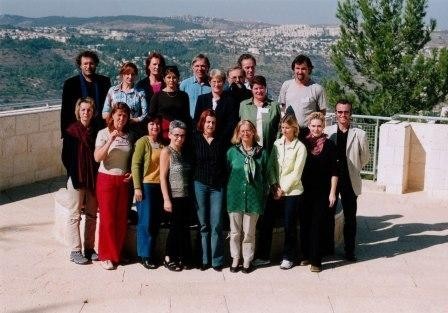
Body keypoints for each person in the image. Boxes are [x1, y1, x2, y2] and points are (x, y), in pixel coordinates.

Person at [239, 75, 281, 268]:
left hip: (268, 157)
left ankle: (263, 253)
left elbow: (278, 132)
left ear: (265, 88)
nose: (258, 91)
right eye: (255, 88)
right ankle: (244, 254)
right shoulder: (243, 106)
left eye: (261, 88)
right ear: (251, 89)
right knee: (250, 206)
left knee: (267, 208)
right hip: (249, 157)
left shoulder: (273, 107)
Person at [325, 99, 370, 261]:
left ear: (350, 114)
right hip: (331, 180)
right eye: (340, 112)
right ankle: (328, 248)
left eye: (346, 112)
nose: (343, 115)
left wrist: (354, 168)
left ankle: (349, 250)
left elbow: (365, 157)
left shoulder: (360, 134)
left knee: (350, 217)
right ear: (335, 113)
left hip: (350, 180)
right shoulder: (327, 131)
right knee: (328, 214)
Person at [94, 102, 134, 270]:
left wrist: (132, 172)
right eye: (118, 115)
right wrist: (110, 139)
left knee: (120, 219)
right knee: (107, 219)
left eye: (124, 115)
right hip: (106, 179)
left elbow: (131, 158)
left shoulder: (129, 135)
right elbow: (98, 157)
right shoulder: (103, 133)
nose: (121, 118)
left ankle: (117, 253)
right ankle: (106, 255)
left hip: (122, 181)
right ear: (112, 116)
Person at [226, 120, 269, 274]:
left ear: (253, 132)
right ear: (238, 133)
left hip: (253, 198)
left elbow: (266, 174)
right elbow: (226, 173)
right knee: (235, 232)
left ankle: (247, 260)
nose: (245, 133)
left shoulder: (262, 153)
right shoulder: (232, 152)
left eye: (248, 130)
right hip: (235, 197)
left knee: (249, 233)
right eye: (242, 131)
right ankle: (235, 258)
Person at [62, 97, 100, 265]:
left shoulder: (97, 131)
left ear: (93, 112)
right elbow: (65, 157)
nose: (86, 113)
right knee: (75, 215)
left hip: (93, 178)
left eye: (89, 110)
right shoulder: (71, 131)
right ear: (78, 112)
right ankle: (75, 250)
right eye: (83, 110)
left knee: (92, 215)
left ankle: (89, 248)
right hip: (77, 179)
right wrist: (74, 174)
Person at [268, 114, 307, 270]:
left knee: (289, 225)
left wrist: (282, 190)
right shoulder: (277, 144)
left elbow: (297, 173)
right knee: (267, 221)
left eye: (287, 127)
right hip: (276, 189)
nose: (284, 130)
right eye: (282, 127)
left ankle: (288, 257)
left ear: (294, 128)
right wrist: (274, 185)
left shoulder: (300, 147)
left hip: (292, 192)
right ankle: (263, 255)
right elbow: (271, 166)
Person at [301, 112, 338, 272]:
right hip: (304, 190)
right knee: (305, 224)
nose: (316, 129)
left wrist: (332, 193)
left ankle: (316, 261)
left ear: (323, 127)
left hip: (322, 191)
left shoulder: (329, 145)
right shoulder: (303, 143)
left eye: (319, 126)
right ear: (309, 126)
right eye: (313, 126)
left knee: (317, 224)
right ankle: (306, 255)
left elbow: (335, 171)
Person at [192, 110, 226, 271]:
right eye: (208, 122)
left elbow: (226, 164)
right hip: (200, 184)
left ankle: (217, 260)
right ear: (202, 123)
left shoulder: (221, 140)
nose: (210, 125)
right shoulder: (195, 139)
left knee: (217, 223)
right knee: (203, 223)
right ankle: (203, 259)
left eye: (213, 122)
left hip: (217, 186)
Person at [131, 115, 164, 269]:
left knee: (156, 221)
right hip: (146, 186)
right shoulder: (142, 142)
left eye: (157, 124)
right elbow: (136, 165)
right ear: (147, 126)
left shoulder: (162, 144)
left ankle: (151, 252)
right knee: (146, 222)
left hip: (159, 187)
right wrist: (137, 187)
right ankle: (144, 255)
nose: (155, 127)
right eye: (152, 124)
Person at [160, 120, 192, 271]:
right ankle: (168, 257)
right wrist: (166, 199)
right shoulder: (167, 152)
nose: (179, 138)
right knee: (175, 228)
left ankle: (182, 256)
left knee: (183, 228)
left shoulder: (184, 151)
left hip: (185, 196)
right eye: (177, 135)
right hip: (174, 196)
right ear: (170, 135)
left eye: (182, 135)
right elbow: (162, 177)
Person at [61, 50, 111, 137]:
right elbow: (66, 111)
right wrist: (66, 133)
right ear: (80, 65)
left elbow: (109, 106)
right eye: (85, 64)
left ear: (96, 64)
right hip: (77, 130)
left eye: (91, 63)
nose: (88, 66)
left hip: (99, 129)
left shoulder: (104, 82)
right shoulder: (70, 84)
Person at [279, 54, 327, 137]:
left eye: (303, 69)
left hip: (308, 134)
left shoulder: (317, 89)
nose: (300, 72)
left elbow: (322, 113)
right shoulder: (286, 85)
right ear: (294, 69)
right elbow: (281, 108)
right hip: (290, 132)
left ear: (309, 70)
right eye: (297, 68)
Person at [102, 61, 148, 136]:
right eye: (127, 74)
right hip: (114, 130)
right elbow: (105, 112)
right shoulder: (112, 91)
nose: (130, 77)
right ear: (122, 74)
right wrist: (114, 120)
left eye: (133, 74)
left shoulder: (140, 93)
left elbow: (145, 114)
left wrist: (133, 120)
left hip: (133, 130)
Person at [194, 69, 237, 145]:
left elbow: (231, 124)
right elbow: (197, 120)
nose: (216, 84)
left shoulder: (230, 101)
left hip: (223, 142)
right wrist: (203, 138)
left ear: (224, 83)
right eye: (214, 81)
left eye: (219, 81)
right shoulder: (202, 99)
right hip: (203, 141)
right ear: (210, 82)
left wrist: (217, 140)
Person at [149, 66, 191, 143]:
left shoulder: (184, 95)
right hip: (162, 135)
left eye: (174, 77)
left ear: (178, 78)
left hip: (179, 135)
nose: (171, 80)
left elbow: (187, 116)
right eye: (168, 77)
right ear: (164, 79)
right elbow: (151, 117)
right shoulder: (157, 96)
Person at [180, 54, 212, 118]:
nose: (200, 69)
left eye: (203, 66)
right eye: (197, 66)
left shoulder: (213, 85)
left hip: (207, 124)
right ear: (193, 67)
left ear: (208, 67)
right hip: (189, 122)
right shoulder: (185, 84)